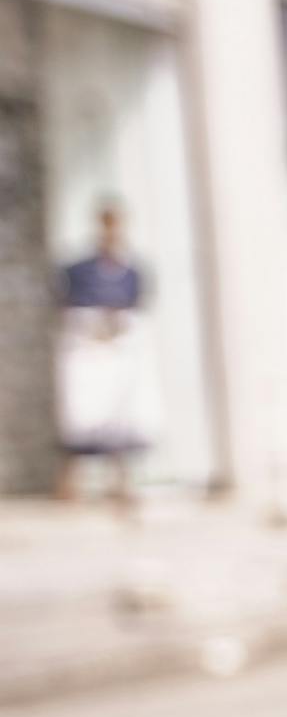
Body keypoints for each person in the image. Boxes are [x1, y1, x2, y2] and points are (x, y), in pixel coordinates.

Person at [55, 201, 153, 511]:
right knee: (84, 413)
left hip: (120, 350)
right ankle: (71, 483)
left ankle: (121, 481)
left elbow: (138, 306)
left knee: (120, 414)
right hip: (88, 348)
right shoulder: (78, 270)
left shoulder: (132, 271)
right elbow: (66, 303)